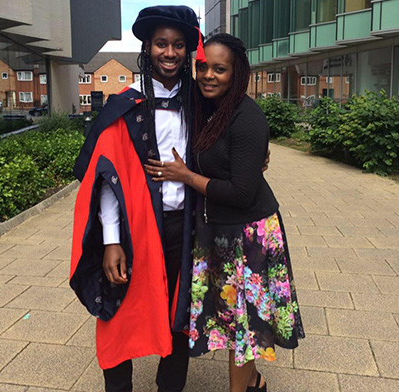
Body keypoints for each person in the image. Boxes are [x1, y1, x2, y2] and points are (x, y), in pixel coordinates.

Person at [144, 33, 305, 392]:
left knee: (243, 328)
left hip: (249, 236)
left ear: (237, 73)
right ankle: (255, 383)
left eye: (220, 69)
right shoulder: (206, 110)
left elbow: (242, 192)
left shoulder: (246, 117)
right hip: (218, 231)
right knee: (231, 318)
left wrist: (186, 176)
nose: (208, 75)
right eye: (203, 67)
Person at [69, 6, 204, 392]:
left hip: (186, 227)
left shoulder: (200, 103)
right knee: (120, 310)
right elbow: (107, 180)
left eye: (179, 44)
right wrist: (111, 239)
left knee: (179, 312)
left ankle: (170, 386)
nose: (170, 52)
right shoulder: (125, 106)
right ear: (148, 47)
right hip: (135, 228)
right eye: (161, 43)